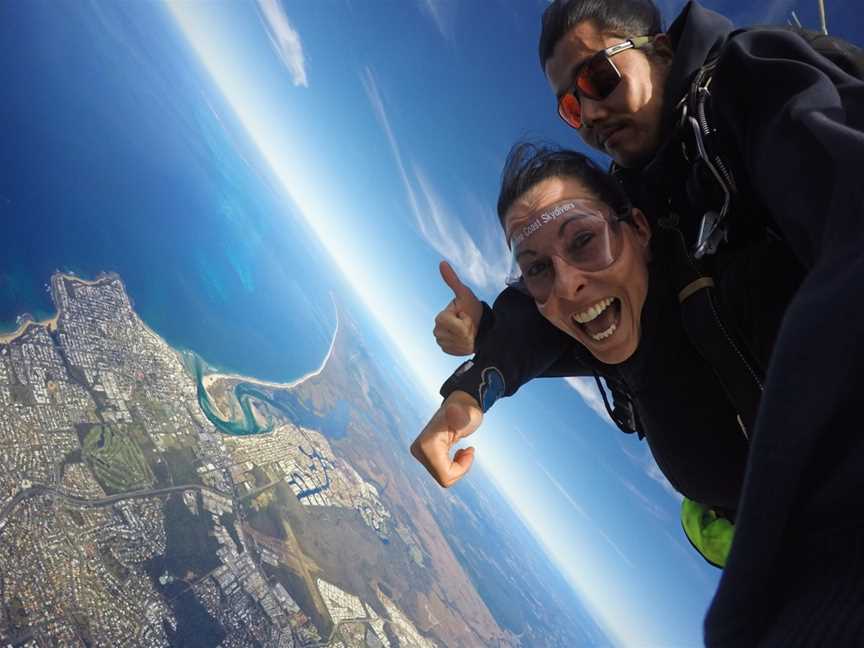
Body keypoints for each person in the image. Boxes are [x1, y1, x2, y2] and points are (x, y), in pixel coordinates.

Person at [411, 0, 864, 645]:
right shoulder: (651, 198)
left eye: (598, 79)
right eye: (571, 106)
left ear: (657, 46)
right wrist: (478, 371)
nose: (590, 113)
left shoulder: (747, 82)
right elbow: (559, 299)